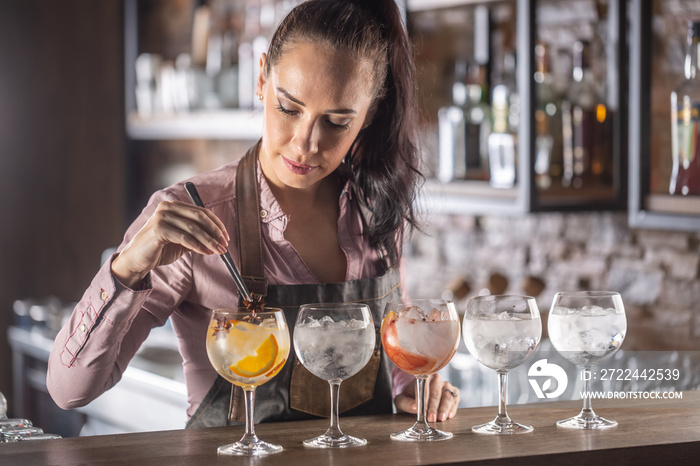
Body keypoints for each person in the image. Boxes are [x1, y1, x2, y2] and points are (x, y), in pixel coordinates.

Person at [47, 0, 460, 428]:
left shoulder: (376, 208)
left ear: (369, 115)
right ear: (262, 78)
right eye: (289, 107)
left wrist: (415, 382)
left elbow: (392, 351)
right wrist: (130, 265)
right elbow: (70, 390)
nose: (305, 144)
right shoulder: (192, 214)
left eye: (336, 122)